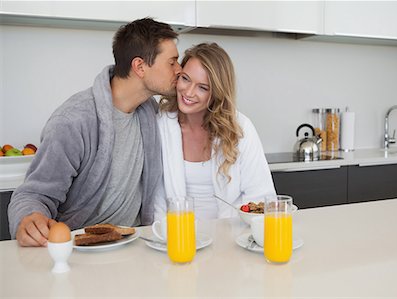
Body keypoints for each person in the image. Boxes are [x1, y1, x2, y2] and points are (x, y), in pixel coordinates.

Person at [8, 18, 181, 247]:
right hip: (81, 251)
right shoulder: (73, 121)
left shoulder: (149, 112)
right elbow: (33, 194)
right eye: (172, 62)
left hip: (134, 246)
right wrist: (28, 218)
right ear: (139, 67)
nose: (179, 70)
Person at [155, 42, 275, 220]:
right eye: (185, 78)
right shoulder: (161, 125)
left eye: (202, 87)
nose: (188, 92)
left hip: (230, 237)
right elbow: (156, 198)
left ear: (217, 93)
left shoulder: (240, 127)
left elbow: (260, 197)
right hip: (176, 237)